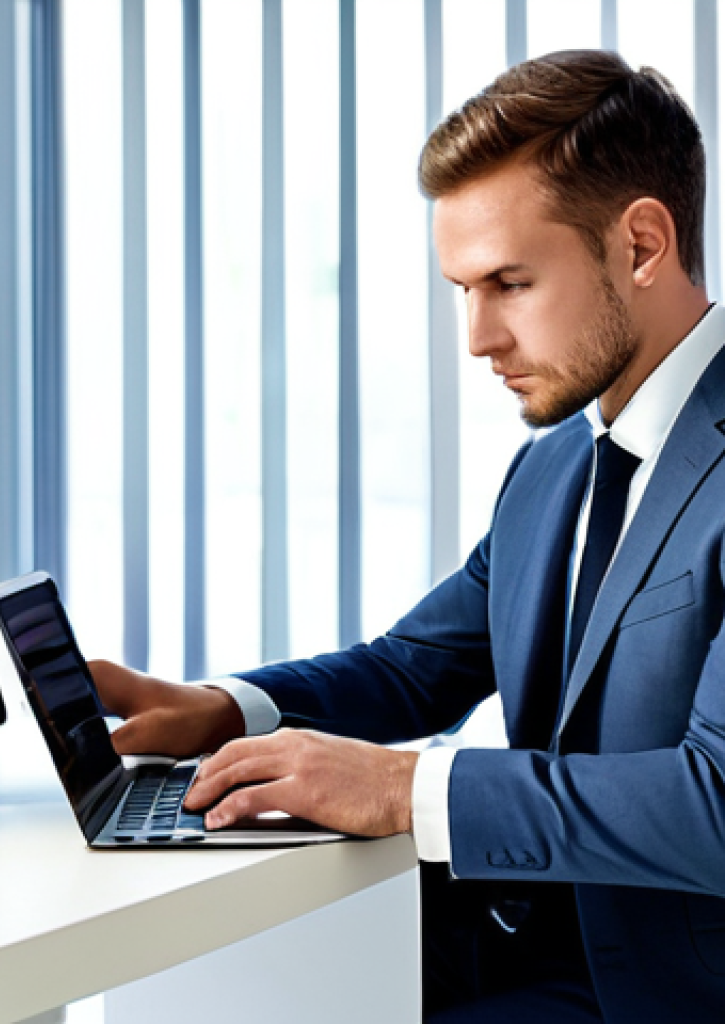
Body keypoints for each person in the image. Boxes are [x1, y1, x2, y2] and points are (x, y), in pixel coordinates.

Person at [90, 50, 725, 1022]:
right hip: (511, 954)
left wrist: (408, 787)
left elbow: (713, 801)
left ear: (641, 243)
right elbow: (414, 667)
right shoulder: (558, 464)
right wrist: (224, 709)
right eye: (461, 289)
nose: (475, 338)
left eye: (508, 282)